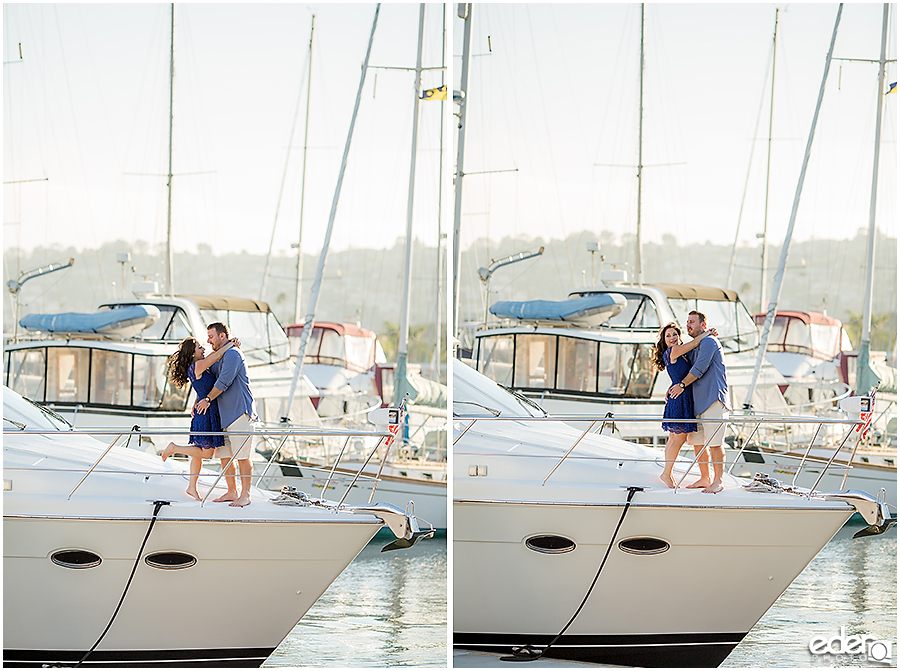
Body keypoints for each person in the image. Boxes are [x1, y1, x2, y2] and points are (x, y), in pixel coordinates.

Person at [196, 321, 260, 507]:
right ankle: (232, 491)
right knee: (224, 455)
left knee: (242, 456)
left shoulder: (233, 354)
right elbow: (208, 378)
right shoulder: (220, 355)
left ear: (222, 336)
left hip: (240, 412)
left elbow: (223, 382)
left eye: (211, 336)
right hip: (223, 415)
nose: (208, 341)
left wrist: (206, 400)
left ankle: (245, 495)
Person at [163, 337, 235, 500]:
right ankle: (174, 448)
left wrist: (195, 402)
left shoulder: (196, 367)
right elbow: (216, 356)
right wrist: (231, 344)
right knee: (206, 453)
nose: (203, 349)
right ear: (192, 353)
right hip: (206, 413)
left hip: (203, 410)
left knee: (198, 453)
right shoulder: (196, 366)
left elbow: (202, 388)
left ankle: (191, 487)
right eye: (199, 348)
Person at [667, 310, 731, 493]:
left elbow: (699, 368)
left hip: (713, 400)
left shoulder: (710, 342)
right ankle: (704, 478)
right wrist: (673, 386)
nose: (688, 325)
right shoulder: (695, 344)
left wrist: (681, 384)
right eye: (687, 322)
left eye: (693, 322)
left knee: (715, 443)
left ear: (703, 325)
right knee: (698, 443)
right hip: (697, 403)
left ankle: (718, 481)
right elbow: (682, 370)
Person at [652, 321, 717, 488]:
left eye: (675, 334)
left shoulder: (681, 354)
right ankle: (666, 474)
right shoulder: (673, 351)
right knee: (678, 440)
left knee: (673, 438)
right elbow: (696, 342)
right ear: (664, 340)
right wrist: (708, 332)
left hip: (680, 396)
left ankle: (668, 473)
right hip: (680, 399)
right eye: (668, 336)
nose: (672, 338)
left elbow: (679, 375)